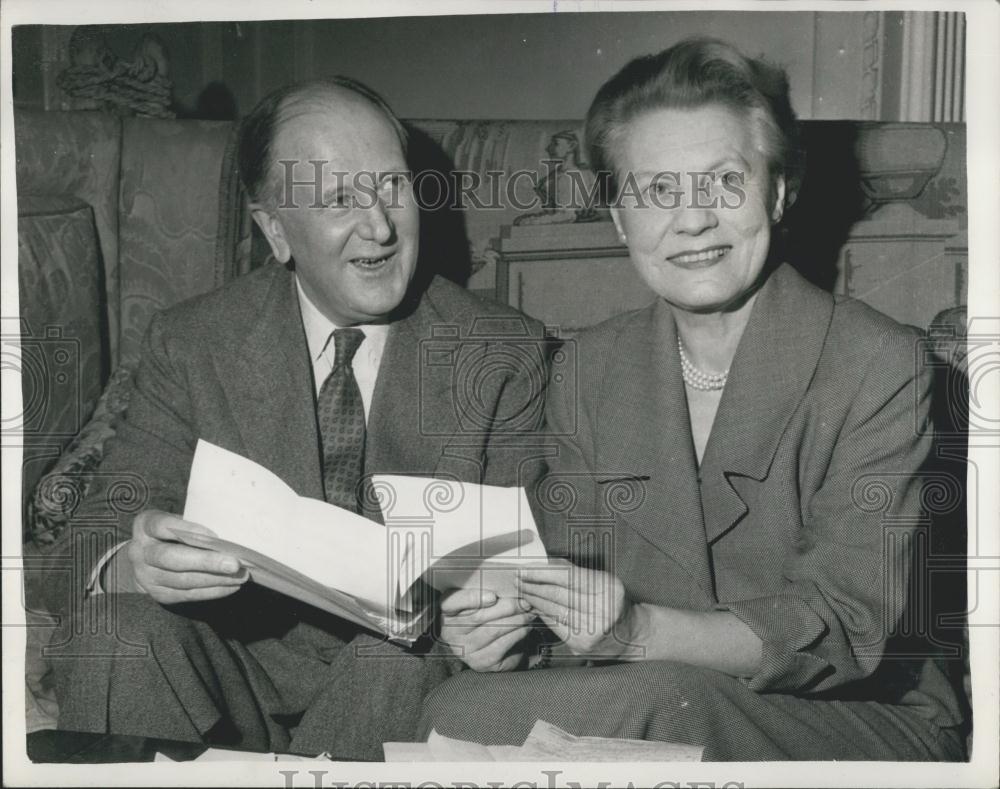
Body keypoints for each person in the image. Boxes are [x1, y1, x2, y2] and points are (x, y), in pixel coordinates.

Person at [421, 38, 966, 760]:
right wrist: (506, 631)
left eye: (724, 182)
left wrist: (637, 631)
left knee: (657, 699)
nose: (693, 219)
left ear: (777, 191)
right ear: (620, 219)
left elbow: (844, 626)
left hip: (865, 712)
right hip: (657, 695)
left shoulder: (878, 362)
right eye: (656, 191)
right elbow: (569, 585)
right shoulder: (588, 368)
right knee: (452, 704)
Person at [52, 77, 547, 760]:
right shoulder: (192, 340)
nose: (380, 226)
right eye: (341, 198)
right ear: (274, 230)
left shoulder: (503, 352)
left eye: (394, 188)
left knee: (395, 659)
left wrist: (499, 612)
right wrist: (136, 564)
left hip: (401, 685)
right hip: (229, 675)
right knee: (112, 626)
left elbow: (530, 580)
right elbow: (85, 544)